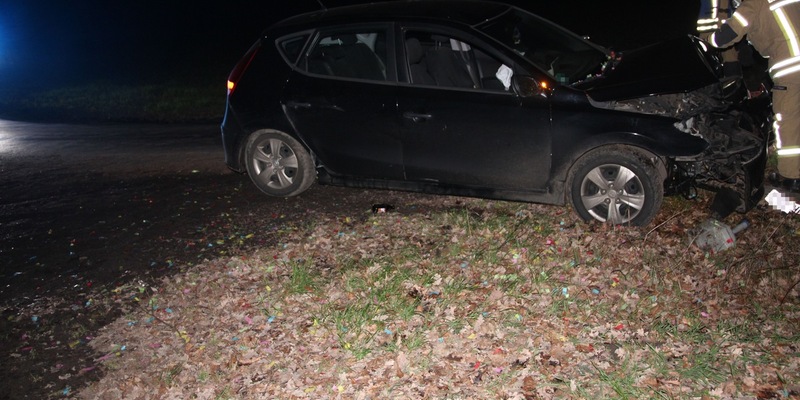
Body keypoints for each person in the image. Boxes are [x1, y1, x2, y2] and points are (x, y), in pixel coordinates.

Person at [709, 0, 800, 191]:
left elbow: (728, 34)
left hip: (791, 68)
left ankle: (792, 178)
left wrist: (710, 41)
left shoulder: (753, 3)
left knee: (788, 120)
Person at [698, 0, 743, 77]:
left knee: (731, 59)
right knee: (703, 58)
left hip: (723, 27)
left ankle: (735, 85)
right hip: (709, 29)